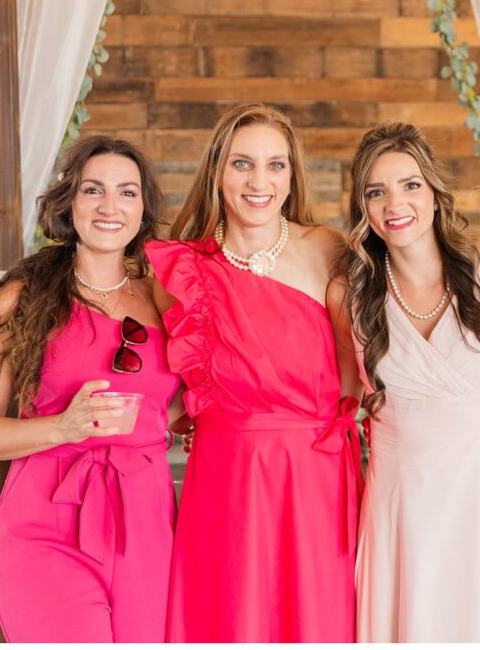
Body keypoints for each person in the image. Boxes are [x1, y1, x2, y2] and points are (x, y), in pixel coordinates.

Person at [145, 103, 361, 642]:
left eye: (276, 165)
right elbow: (165, 388)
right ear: (217, 170)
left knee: (315, 617)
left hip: (316, 474)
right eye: (242, 164)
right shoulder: (180, 271)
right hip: (226, 478)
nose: (259, 181)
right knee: (229, 617)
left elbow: (362, 366)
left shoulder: (327, 250)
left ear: (292, 177)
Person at [0, 136, 178, 642]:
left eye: (127, 192)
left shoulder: (162, 297)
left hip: (145, 518)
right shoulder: (23, 298)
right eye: (92, 190)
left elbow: (177, 404)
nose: (109, 206)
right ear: (69, 202)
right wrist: (62, 427)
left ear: (142, 208)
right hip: (46, 518)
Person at [328, 123, 480, 642]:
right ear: (363, 207)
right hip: (404, 496)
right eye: (376, 191)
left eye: (410, 184)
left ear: (436, 194)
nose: (395, 203)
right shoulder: (346, 296)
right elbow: (341, 394)